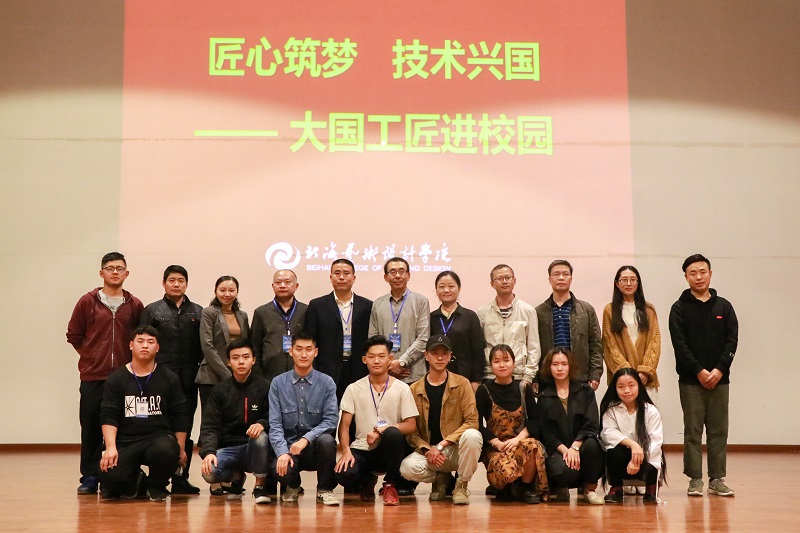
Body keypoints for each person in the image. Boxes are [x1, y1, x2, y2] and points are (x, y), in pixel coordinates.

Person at [66, 251, 144, 495]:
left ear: (127, 273)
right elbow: (74, 335)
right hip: (93, 377)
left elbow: (140, 338)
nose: (115, 272)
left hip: (124, 379)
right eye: (110, 268)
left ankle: (118, 475)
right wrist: (91, 356)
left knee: (123, 428)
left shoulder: (135, 305)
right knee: (90, 428)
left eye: (119, 268)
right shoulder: (87, 302)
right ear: (101, 273)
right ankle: (90, 476)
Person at [669, 254, 738, 497]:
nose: (698, 277)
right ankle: (695, 479)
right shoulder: (679, 309)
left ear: (710, 273)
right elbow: (680, 345)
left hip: (720, 380)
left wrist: (719, 369)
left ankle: (717, 479)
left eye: (702, 272)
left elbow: (732, 341)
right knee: (693, 431)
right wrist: (699, 370)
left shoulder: (724, 307)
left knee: (719, 431)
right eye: (693, 273)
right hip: (691, 381)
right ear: (686, 277)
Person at [98, 326, 188, 502]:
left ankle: (156, 485)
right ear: (131, 345)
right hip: (126, 440)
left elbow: (180, 414)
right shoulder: (116, 379)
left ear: (157, 347)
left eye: (150, 342)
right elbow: (109, 414)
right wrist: (110, 448)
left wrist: (181, 448)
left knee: (169, 450)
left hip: (158, 437)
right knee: (109, 479)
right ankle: (138, 481)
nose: (145, 345)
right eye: (140, 341)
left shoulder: (169, 378)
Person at [140, 265, 203, 495]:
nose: (176, 284)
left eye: (181, 280)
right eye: (172, 280)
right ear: (164, 283)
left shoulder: (198, 311)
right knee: (158, 428)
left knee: (185, 427)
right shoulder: (152, 310)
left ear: (187, 284)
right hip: (159, 380)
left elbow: (202, 347)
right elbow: (143, 344)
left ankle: (180, 479)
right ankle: (157, 479)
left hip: (188, 380)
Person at [334, 336, 419, 506]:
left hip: (389, 449)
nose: (376, 361)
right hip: (362, 448)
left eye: (381, 356)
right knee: (344, 474)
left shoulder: (402, 389)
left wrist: (383, 429)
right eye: (371, 357)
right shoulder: (353, 388)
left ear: (390, 359)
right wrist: (346, 451)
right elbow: (344, 426)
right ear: (364, 360)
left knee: (393, 433)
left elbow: (411, 425)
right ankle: (367, 479)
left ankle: (390, 485)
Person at [399, 334, 482, 505]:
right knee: (407, 468)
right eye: (434, 353)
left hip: (454, 449)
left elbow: (472, 422)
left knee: (473, 436)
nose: (439, 357)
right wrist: (427, 450)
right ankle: (440, 478)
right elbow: (412, 432)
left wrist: (441, 445)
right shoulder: (414, 389)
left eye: (444, 353)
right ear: (426, 355)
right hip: (430, 451)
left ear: (450, 356)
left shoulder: (462, 383)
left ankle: (461, 484)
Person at [268, 332, 340, 505]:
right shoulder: (277, 383)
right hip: (289, 448)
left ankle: (324, 489)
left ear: (316, 352)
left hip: (315, 448)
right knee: (279, 469)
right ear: (290, 351)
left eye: (308, 349)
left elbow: (331, 420)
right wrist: (282, 453)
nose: (304, 354)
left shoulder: (327, 382)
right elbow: (275, 424)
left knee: (327, 441)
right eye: (299, 349)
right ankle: (293, 486)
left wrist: (306, 439)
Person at [199, 338, 273, 504]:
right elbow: (209, 426)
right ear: (228, 362)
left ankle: (259, 487)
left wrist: (261, 423)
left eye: (246, 357)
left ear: (253, 360)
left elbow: (274, 417)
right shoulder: (219, 390)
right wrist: (209, 452)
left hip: (253, 449)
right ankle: (236, 477)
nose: (241, 362)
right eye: (235, 357)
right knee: (209, 473)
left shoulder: (265, 387)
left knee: (260, 437)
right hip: (229, 449)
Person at [475, 344, 548, 504]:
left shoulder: (524, 388)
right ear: (491, 365)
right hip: (496, 448)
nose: (502, 365)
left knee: (532, 445)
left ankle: (525, 487)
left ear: (514, 363)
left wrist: (518, 439)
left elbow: (535, 421)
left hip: (519, 443)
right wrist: (497, 443)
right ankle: (506, 486)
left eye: (506, 360)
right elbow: (477, 424)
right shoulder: (483, 390)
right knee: (506, 473)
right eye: (496, 361)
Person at [537, 347, 605, 505]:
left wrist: (575, 447)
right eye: (555, 364)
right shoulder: (544, 397)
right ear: (549, 367)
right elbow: (545, 432)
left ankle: (589, 489)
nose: (559, 368)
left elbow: (591, 423)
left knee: (594, 446)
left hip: (581, 446)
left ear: (570, 366)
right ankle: (561, 487)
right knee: (565, 472)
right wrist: (565, 450)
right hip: (559, 450)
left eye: (564, 364)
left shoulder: (585, 391)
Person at [305, 259, 373, 400]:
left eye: (346, 273)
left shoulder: (367, 306)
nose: (341, 277)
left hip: (359, 368)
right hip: (327, 369)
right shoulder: (317, 305)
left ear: (354, 278)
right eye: (337, 273)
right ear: (331, 278)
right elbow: (310, 340)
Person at [535, 260, 603, 390]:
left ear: (571, 279)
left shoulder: (586, 310)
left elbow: (595, 344)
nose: (561, 278)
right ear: (549, 279)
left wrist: (595, 374)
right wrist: (535, 377)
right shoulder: (539, 312)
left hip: (580, 376)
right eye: (556, 274)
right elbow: (534, 347)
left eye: (565, 274)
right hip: (548, 379)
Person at [600, 368, 664, 504]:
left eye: (631, 385)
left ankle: (651, 487)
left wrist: (638, 457)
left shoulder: (650, 411)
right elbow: (607, 433)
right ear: (615, 388)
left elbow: (656, 441)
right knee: (613, 451)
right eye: (621, 387)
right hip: (622, 459)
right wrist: (633, 445)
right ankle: (616, 488)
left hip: (645, 458)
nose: (627, 391)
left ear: (639, 386)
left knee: (654, 454)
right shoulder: (611, 410)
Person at [602, 265, 661, 403]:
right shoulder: (609, 310)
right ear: (617, 283)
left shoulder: (649, 309)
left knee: (647, 414)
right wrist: (626, 374)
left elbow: (655, 341)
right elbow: (609, 344)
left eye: (633, 280)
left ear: (638, 283)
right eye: (624, 280)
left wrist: (645, 371)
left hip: (645, 379)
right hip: (621, 380)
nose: (629, 283)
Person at [369, 256, 430, 385]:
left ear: (408, 275)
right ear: (386, 277)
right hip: (384, 374)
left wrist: (401, 362)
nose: (397, 276)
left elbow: (423, 338)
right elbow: (373, 339)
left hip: (413, 375)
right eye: (392, 272)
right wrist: (388, 365)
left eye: (401, 271)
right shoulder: (378, 304)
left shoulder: (421, 302)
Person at [477, 264, 540, 384]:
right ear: (492, 284)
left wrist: (528, 376)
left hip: (519, 376)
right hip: (491, 376)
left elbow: (534, 347)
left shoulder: (528, 311)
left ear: (514, 281)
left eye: (508, 278)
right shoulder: (482, 312)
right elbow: (479, 347)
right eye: (499, 279)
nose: (504, 281)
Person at [196, 276, 250, 410]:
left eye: (231, 290)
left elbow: (245, 344)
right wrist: (227, 374)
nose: (227, 294)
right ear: (215, 292)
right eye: (222, 290)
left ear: (237, 292)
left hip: (237, 374)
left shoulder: (242, 315)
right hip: (211, 376)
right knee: (211, 418)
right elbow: (207, 346)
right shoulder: (208, 312)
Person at [429, 271, 484, 391]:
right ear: (436, 290)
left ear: (458, 289)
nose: (446, 290)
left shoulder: (470, 316)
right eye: (441, 286)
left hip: (464, 376)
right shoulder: (431, 318)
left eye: (451, 286)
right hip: (437, 377)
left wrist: (475, 381)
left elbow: (478, 351)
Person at [251, 270, 307, 380]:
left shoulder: (306, 310)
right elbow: (255, 347)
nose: (282, 286)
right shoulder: (261, 312)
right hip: (269, 375)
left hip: (301, 374)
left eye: (287, 282)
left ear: (296, 286)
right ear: (272, 286)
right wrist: (258, 377)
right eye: (278, 282)